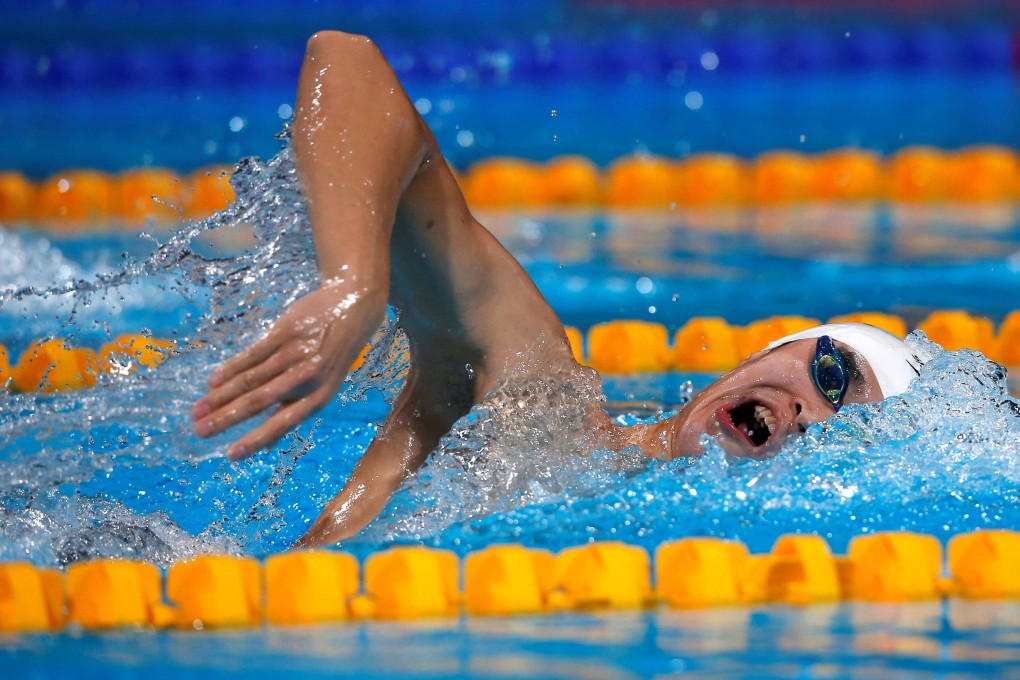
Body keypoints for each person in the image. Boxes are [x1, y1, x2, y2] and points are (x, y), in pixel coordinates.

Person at [190, 31, 923, 547]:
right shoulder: (543, 405)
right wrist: (354, 284)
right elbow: (345, 60)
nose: (806, 414)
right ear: (764, 355)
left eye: (840, 434)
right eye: (830, 374)